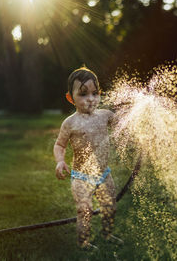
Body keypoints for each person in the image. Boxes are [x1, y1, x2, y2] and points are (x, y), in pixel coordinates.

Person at [53, 66, 122, 249]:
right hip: (81, 177)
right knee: (85, 210)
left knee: (110, 207)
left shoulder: (105, 115)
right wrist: (60, 160)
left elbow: (123, 125)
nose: (90, 99)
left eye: (95, 93)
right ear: (70, 98)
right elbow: (60, 145)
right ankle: (83, 242)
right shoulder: (70, 123)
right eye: (83, 94)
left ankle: (107, 235)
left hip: (104, 173)